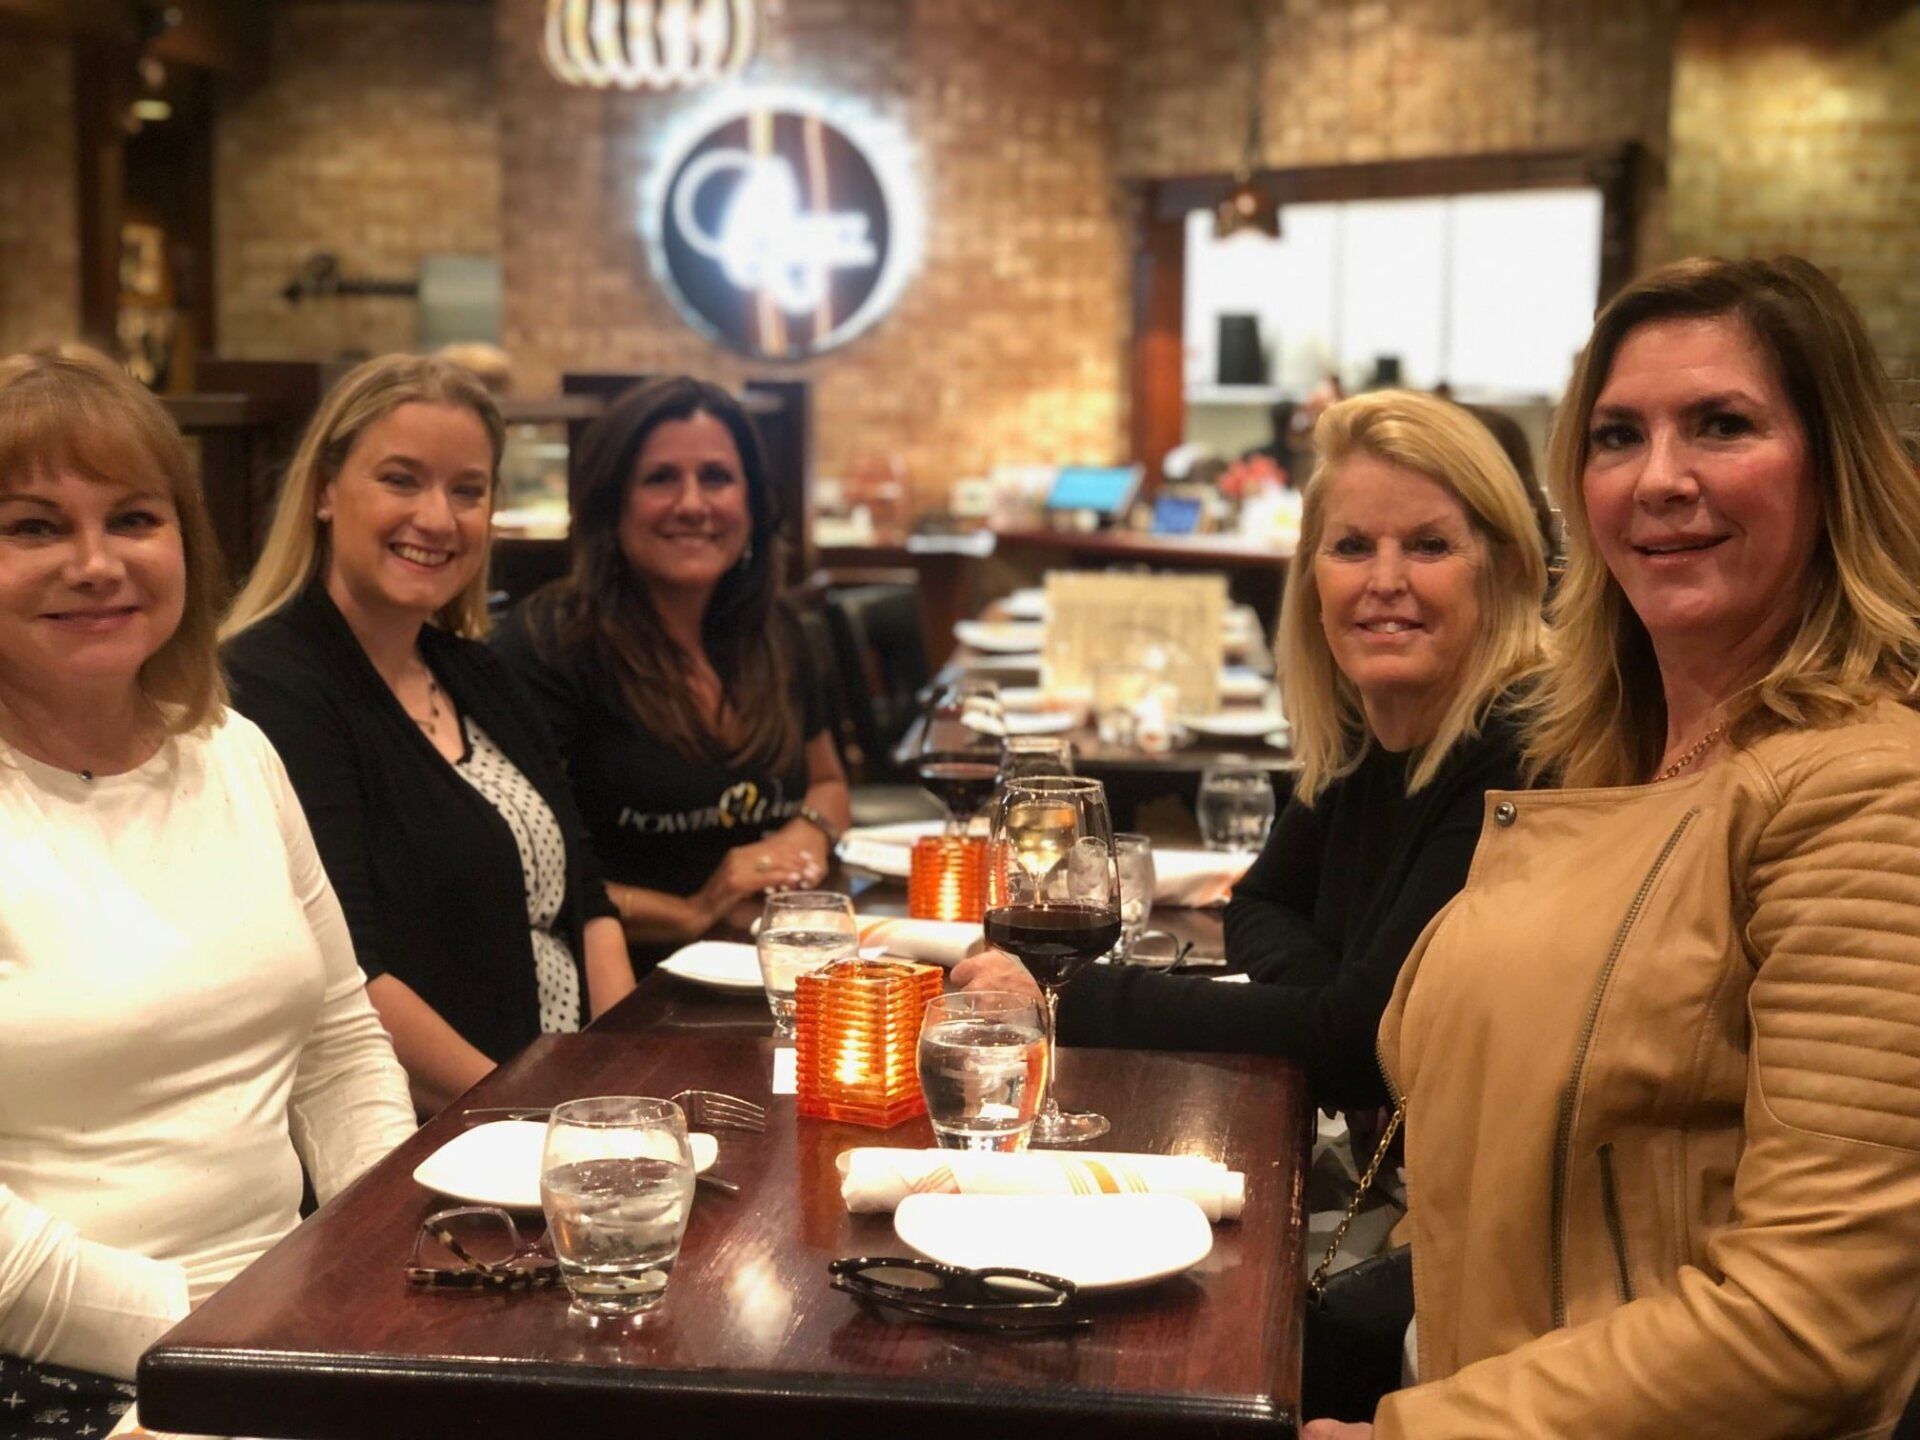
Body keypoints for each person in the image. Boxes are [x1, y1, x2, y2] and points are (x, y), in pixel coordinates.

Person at [1305, 256, 1920, 1439]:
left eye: (1723, 425)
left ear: (1834, 466)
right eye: (1617, 436)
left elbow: (1811, 1322)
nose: (1660, 479)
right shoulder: (1606, 761)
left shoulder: (1868, 793)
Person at [0, 350, 415, 1420]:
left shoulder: (234, 749)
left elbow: (339, 1042)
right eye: (33, 527)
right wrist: (213, 1327)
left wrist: (380, 1255)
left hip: (292, 1322)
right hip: (61, 1364)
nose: (96, 564)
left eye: (134, 519)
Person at [956, 389, 1548, 1109]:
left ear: (1505, 568)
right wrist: (1329, 1001)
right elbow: (1259, 905)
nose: (1385, 581)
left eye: (1429, 546)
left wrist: (1069, 998)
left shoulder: (1518, 757)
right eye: (1352, 546)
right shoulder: (1370, 729)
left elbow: (1365, 1048)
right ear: (1311, 576)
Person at [223, 355, 633, 1116]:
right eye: (401, 480)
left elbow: (588, 898)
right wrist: (530, 1110)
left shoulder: (474, 668)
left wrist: (622, 1074)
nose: (438, 519)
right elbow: (346, 972)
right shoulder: (271, 683)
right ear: (323, 491)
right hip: (436, 1132)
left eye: (467, 490)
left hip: (567, 1106)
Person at [491, 377, 851, 957]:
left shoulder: (780, 630)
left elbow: (829, 783)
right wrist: (693, 912)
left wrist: (804, 836)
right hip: (630, 979)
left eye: (716, 477)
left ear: (753, 504)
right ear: (612, 505)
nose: (692, 504)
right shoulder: (548, 644)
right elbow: (522, 871)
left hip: (774, 962)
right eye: (660, 478)